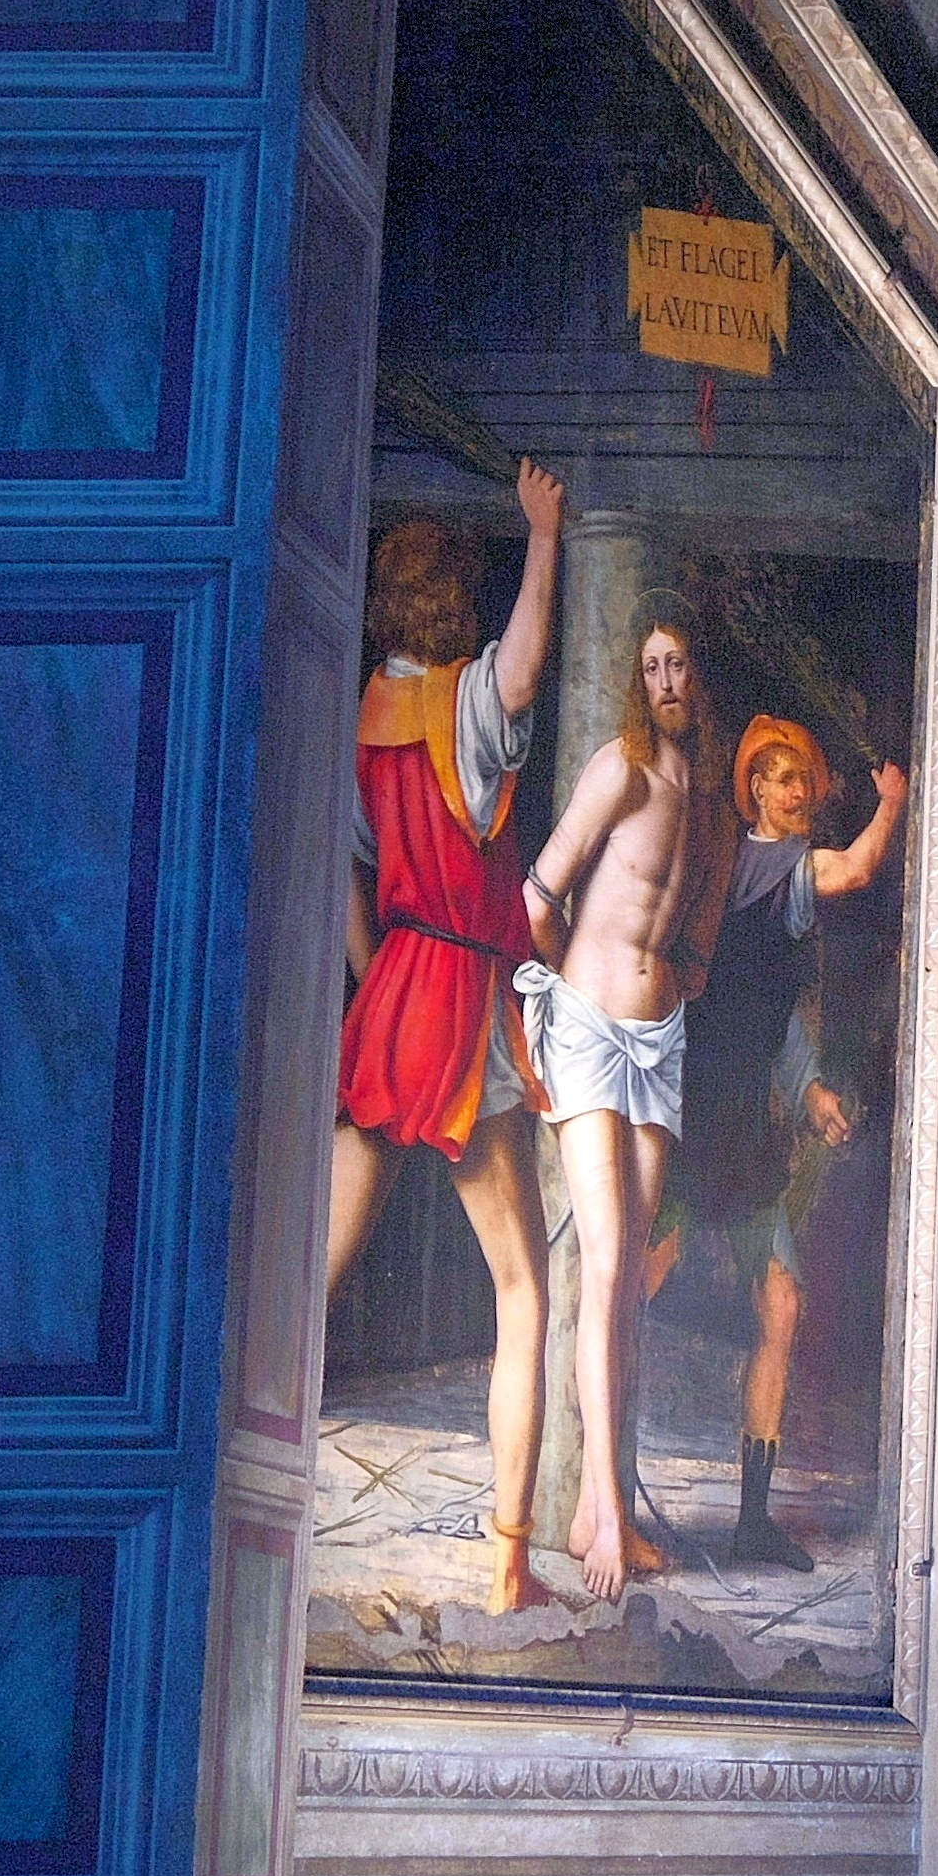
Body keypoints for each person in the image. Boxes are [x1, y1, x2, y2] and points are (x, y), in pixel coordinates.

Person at [327, 462, 565, 1614]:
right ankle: (508, 1559)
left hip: (397, 992)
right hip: (466, 998)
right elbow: (520, 671)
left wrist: (384, 991)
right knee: (524, 1296)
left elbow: (349, 885)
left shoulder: (365, 708)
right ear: (456, 605)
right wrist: (545, 535)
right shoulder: (459, 702)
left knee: (304, 1278)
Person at [517, 616, 718, 1602]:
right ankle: (606, 1517)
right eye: (650, 665)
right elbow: (538, 889)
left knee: (629, 1273)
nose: (666, 677)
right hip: (592, 1031)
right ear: (635, 681)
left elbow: (702, 924)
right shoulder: (621, 770)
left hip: (657, 1041)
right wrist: (569, 997)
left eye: (678, 662)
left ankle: (601, 1509)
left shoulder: (703, 796)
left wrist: (681, 979)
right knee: (602, 1266)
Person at [680, 717, 905, 1570]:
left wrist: (807, 1088)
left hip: (746, 1117)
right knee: (636, 1281)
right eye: (778, 779)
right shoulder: (762, 866)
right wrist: (893, 805)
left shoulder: (772, 883)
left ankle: (749, 1519)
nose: (797, 791)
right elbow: (857, 866)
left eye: (804, 778)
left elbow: (771, 1019)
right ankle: (604, 1489)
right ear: (753, 792)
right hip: (698, 1106)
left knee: (780, 1305)